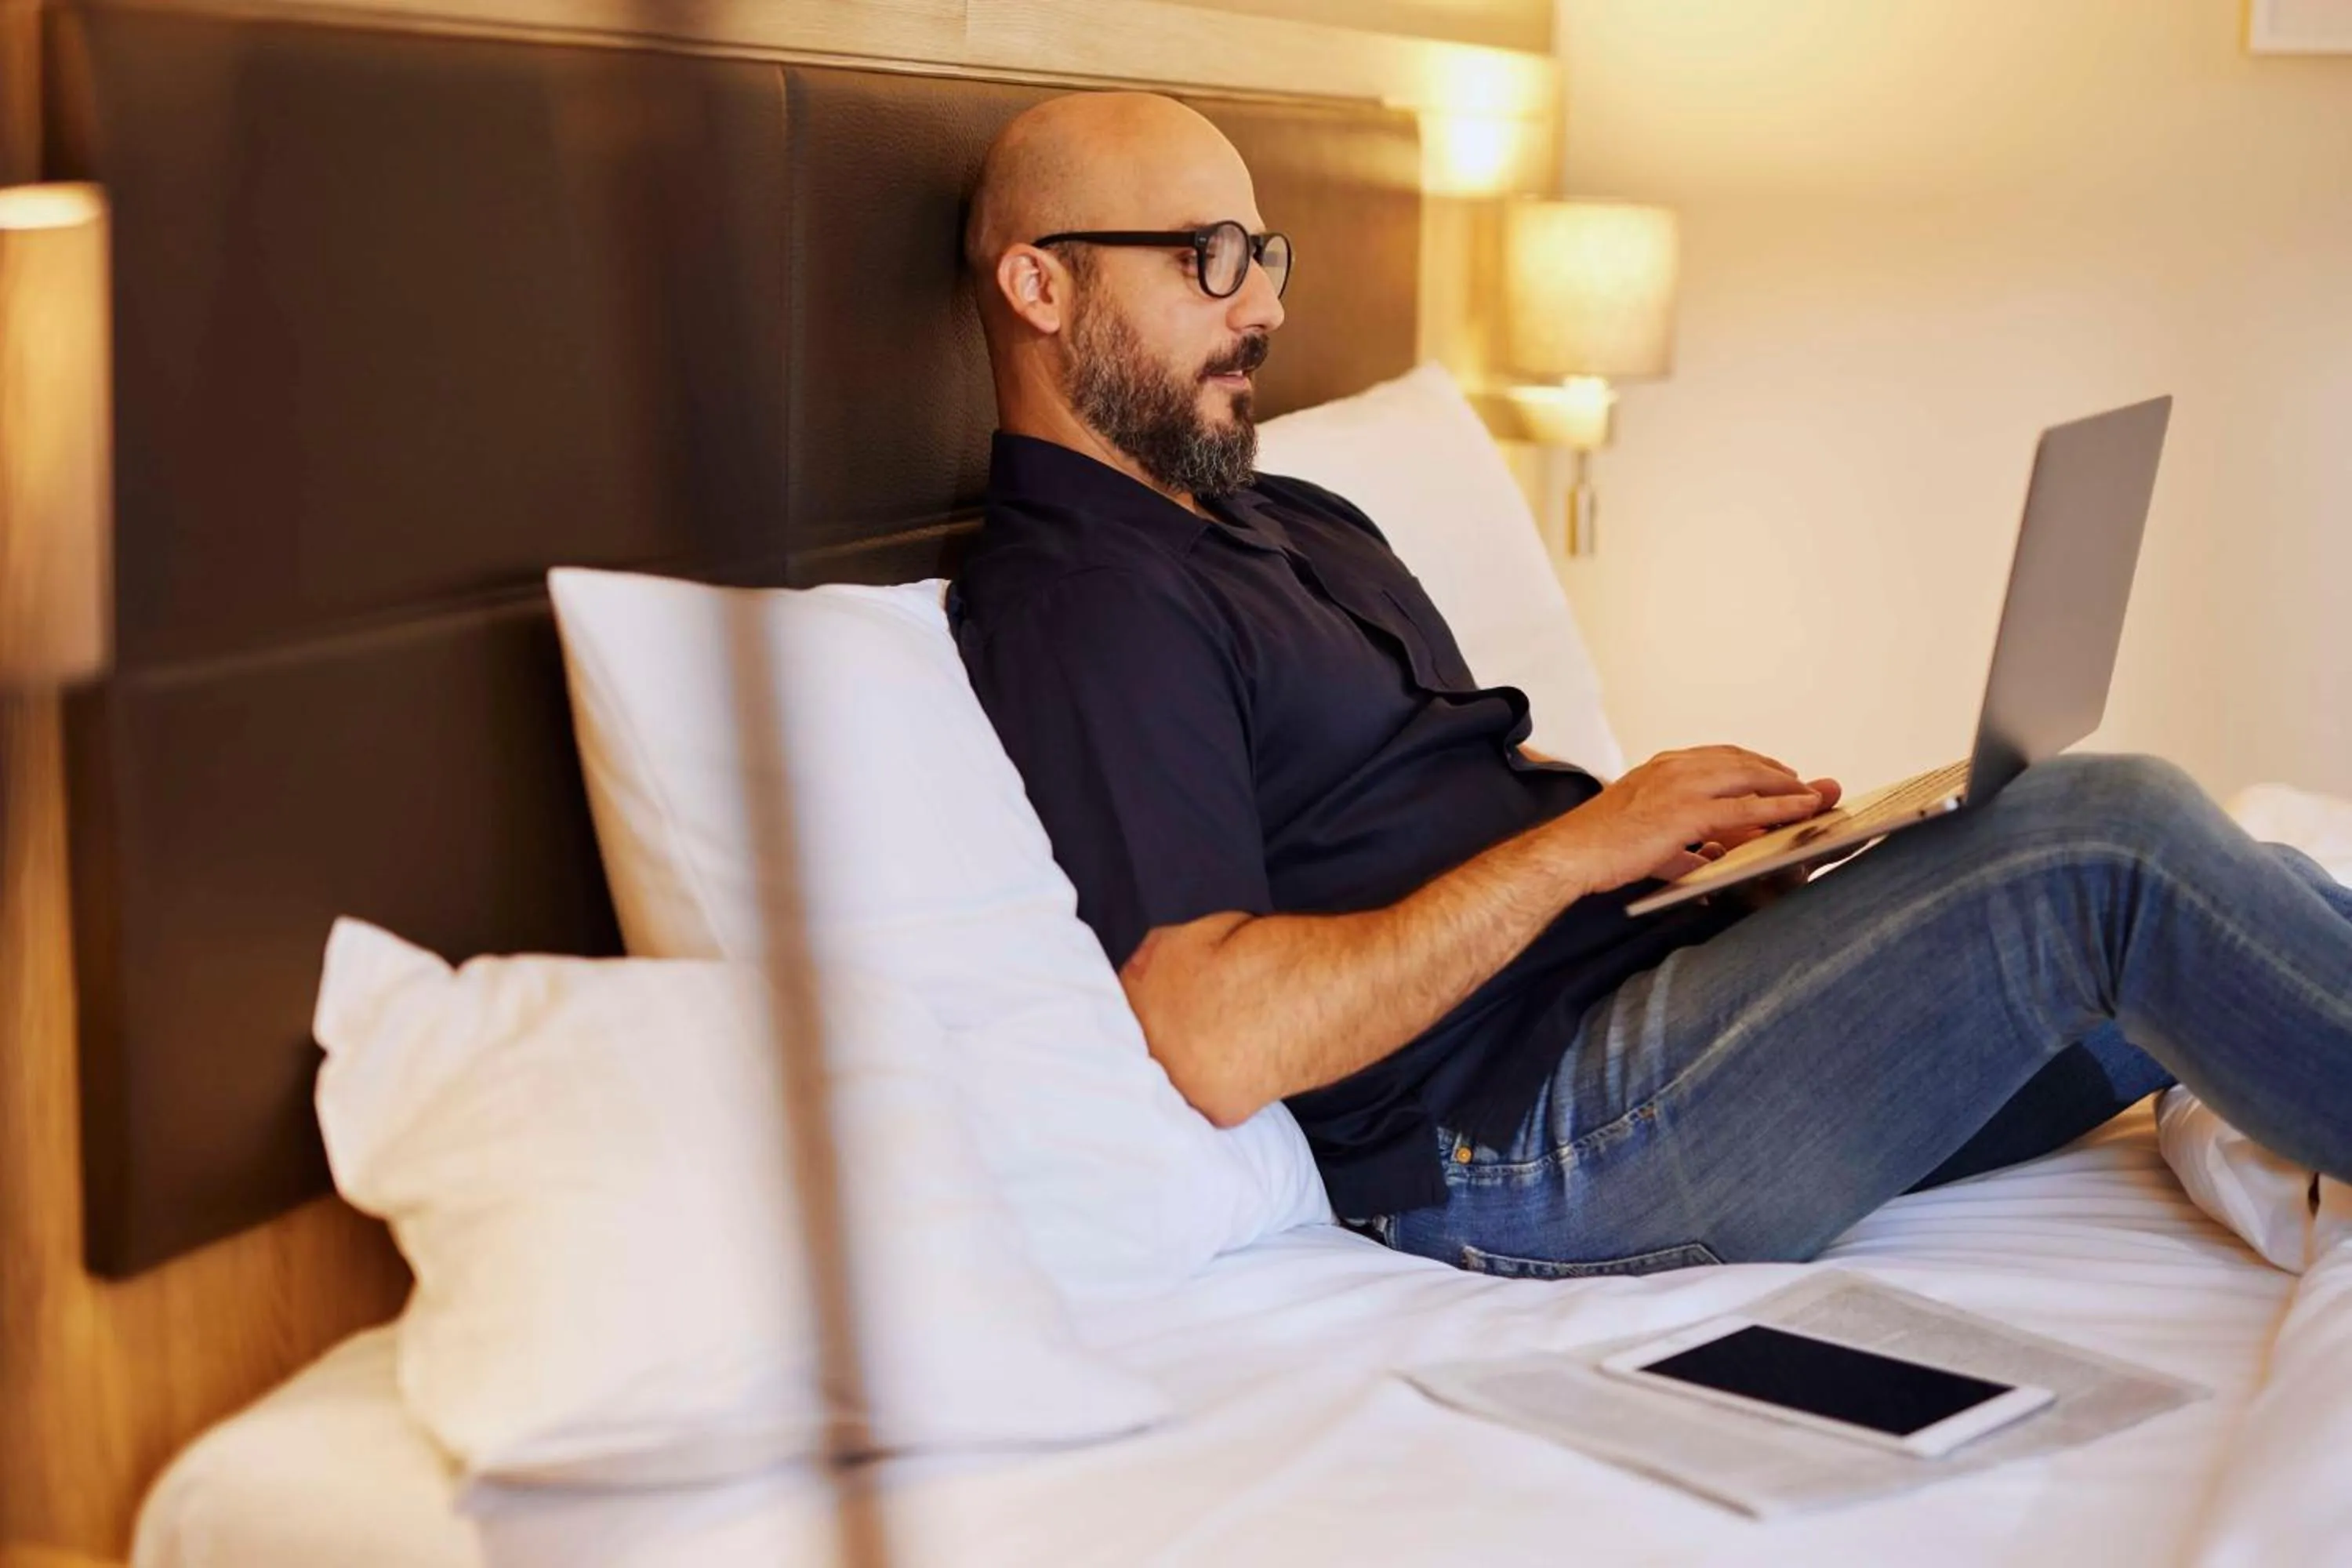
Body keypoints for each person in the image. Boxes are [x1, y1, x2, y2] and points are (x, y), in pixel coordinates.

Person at [947, 90, 2352, 1277]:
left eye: (1264, 255)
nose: (1263, 306)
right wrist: (1584, 848)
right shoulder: (1085, 597)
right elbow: (1211, 1034)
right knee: (2112, 845)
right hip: (1529, 1138)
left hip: (1657, 1001)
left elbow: (1438, 815)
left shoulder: (1290, 515)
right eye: (1207, 258)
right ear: (1040, 286)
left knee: (2241, 887)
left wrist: (1729, 874)